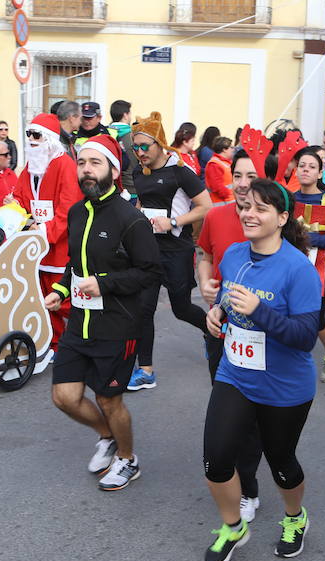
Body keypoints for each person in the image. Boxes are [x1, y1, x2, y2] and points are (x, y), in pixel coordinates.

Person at [201, 178, 320, 561]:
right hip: (235, 374)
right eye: (245, 206)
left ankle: (294, 517)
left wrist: (260, 311)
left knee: (281, 463)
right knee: (216, 458)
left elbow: (304, 337)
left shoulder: (298, 269)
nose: (249, 214)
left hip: (284, 386)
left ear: (282, 218)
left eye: (261, 209)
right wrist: (218, 312)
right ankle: (233, 526)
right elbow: (225, 298)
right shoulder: (234, 254)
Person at [45, 134, 162, 491]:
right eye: (82, 163)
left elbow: (151, 271)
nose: (86, 171)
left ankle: (128, 460)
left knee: (108, 398)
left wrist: (105, 283)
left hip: (117, 322)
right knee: (63, 396)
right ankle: (107, 436)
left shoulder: (131, 219)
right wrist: (62, 290)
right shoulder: (79, 211)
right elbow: (75, 262)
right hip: (80, 319)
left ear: (113, 169)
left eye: (95, 163)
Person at [197, 149, 265, 523]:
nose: (242, 184)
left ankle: (249, 488)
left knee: (251, 415)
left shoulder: (270, 220)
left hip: (260, 336)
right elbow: (204, 254)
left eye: (250, 176)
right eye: (237, 175)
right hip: (220, 329)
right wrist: (205, 282)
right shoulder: (217, 215)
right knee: (226, 411)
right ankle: (236, 481)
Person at [129, 111, 212, 391]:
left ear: (160, 145)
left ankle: (211, 331)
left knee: (182, 308)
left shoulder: (179, 172)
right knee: (143, 309)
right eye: (135, 147)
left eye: (145, 146)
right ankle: (146, 370)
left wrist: (173, 222)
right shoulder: (139, 173)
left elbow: (205, 206)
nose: (139, 152)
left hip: (177, 250)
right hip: (149, 250)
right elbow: (143, 202)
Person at [13, 113, 81, 351]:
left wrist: (42, 231)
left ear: (50, 139)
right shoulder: (30, 168)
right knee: (43, 300)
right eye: (28, 134)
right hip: (36, 247)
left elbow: (68, 210)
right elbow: (21, 198)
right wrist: (13, 207)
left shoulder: (65, 166)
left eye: (36, 135)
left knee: (63, 302)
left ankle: (88, 333)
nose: (31, 139)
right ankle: (54, 345)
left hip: (59, 247)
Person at [293, 148, 325, 383]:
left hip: (320, 268)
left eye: (311, 166)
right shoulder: (289, 198)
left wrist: (305, 238)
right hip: (291, 265)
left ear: (320, 173)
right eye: (302, 165)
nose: (305, 169)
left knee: (316, 317)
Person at [106, 99, 139, 202]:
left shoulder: (105, 134)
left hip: (110, 189)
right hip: (132, 189)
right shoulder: (134, 135)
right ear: (125, 115)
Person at [205, 136, 235, 206]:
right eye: (231, 147)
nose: (233, 150)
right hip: (221, 203)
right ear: (224, 149)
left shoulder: (225, 162)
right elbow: (217, 186)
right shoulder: (214, 164)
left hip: (228, 202)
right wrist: (229, 195)